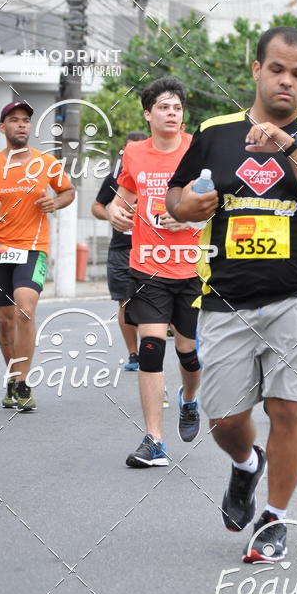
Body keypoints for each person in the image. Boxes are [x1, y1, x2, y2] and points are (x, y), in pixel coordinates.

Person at [166, 25, 297, 562]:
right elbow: (176, 194)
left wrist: (290, 147)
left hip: (296, 297)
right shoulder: (216, 132)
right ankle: (247, 464)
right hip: (224, 300)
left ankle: (274, 519)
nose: (286, 82)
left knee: (287, 409)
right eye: (277, 70)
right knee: (224, 421)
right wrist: (186, 207)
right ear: (256, 70)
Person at [107, 77, 203, 465]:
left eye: (177, 108)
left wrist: (189, 220)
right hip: (147, 265)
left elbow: (220, 202)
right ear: (148, 114)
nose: (172, 114)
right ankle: (154, 440)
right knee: (150, 348)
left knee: (188, 353)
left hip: (193, 266)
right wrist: (116, 211)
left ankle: (190, 399)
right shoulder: (133, 153)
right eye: (164, 107)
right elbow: (123, 196)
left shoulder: (198, 150)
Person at [0, 100, 75, 411]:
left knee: (24, 309)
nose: (21, 125)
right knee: (5, 320)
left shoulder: (46, 161)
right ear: (2, 127)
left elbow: (68, 191)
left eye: (25, 120)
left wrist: (56, 203)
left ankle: (22, 382)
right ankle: (12, 378)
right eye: (14, 120)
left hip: (34, 248)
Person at [91, 130, 148, 370]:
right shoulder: (114, 179)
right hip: (120, 250)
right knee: (124, 302)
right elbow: (96, 206)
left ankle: (150, 349)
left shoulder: (154, 177)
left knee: (148, 303)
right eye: (127, 151)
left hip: (149, 249)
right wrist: (112, 215)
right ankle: (133, 354)